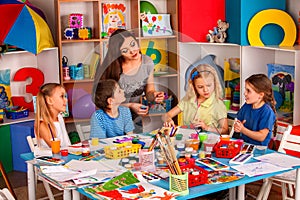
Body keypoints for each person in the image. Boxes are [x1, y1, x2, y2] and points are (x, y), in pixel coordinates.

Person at [93, 29, 164, 132]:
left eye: (132, 44)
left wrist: (154, 95)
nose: (132, 51)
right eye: (125, 50)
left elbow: (149, 92)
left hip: (135, 118)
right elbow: (103, 103)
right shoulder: (111, 68)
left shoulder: (147, 62)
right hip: (112, 118)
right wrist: (130, 106)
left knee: (135, 146)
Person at [163, 64, 229, 135]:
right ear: (193, 86)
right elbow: (165, 115)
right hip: (188, 140)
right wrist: (168, 120)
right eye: (200, 87)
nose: (206, 90)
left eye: (209, 85)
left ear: (215, 84)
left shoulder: (218, 104)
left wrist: (206, 127)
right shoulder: (187, 100)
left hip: (208, 143)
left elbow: (225, 130)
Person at [233, 74, 277, 146]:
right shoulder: (246, 106)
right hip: (244, 145)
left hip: (258, 150)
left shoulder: (267, 112)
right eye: (245, 89)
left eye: (248, 91)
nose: (245, 93)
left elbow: (261, 137)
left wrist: (243, 130)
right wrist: (237, 126)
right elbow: (238, 122)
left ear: (261, 95)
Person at [34, 83, 71, 148]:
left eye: (65, 96)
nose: (66, 100)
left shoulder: (59, 117)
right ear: (49, 100)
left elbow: (66, 143)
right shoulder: (42, 124)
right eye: (62, 96)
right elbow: (56, 149)